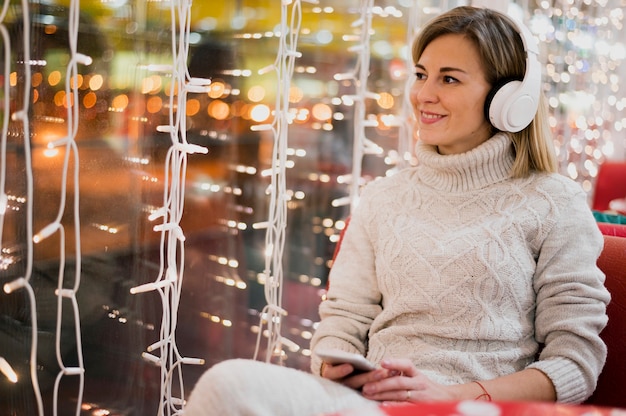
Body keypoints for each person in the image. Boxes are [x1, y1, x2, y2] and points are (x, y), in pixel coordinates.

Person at [184, 6, 610, 415]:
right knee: (229, 385)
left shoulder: (554, 201)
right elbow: (343, 322)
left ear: (508, 99)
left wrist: (453, 397)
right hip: (370, 405)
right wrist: (340, 367)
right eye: (422, 75)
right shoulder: (383, 198)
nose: (424, 94)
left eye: (449, 79)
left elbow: (575, 364)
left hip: (470, 409)